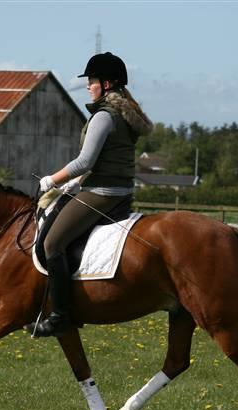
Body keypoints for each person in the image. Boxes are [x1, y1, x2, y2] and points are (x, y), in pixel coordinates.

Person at [28, 52, 153, 338]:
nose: (88, 85)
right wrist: (75, 185)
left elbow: (85, 161)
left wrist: (52, 180)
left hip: (102, 194)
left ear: (107, 84)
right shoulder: (121, 114)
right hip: (118, 190)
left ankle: (60, 316)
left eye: (93, 80)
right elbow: (103, 161)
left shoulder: (103, 116)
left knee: (52, 244)